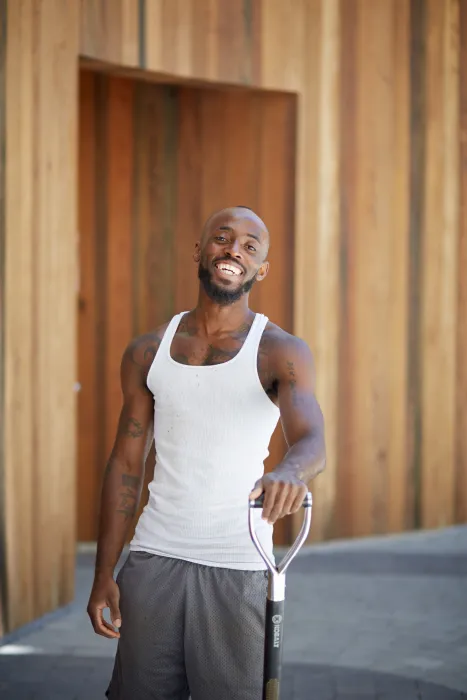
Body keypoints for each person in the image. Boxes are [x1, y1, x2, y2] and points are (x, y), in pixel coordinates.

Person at [87, 206, 326, 700]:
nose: (234, 249)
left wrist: (290, 471)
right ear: (200, 251)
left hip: (238, 563)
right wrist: (103, 572)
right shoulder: (147, 351)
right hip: (153, 559)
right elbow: (126, 464)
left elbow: (311, 440)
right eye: (222, 237)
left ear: (261, 269)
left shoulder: (279, 351)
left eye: (250, 246)